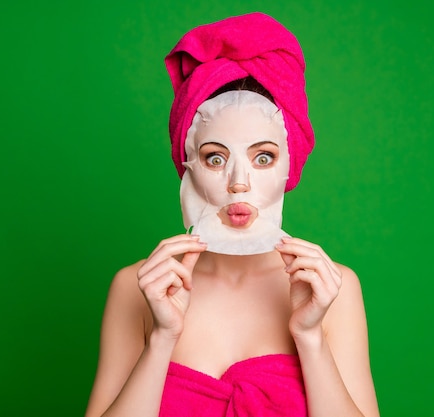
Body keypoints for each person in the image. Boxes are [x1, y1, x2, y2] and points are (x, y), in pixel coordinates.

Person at [85, 12, 379, 417]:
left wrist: (310, 337)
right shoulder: (137, 289)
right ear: (188, 164)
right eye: (215, 157)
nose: (238, 182)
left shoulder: (333, 288)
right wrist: (161, 339)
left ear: (288, 167)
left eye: (263, 157)